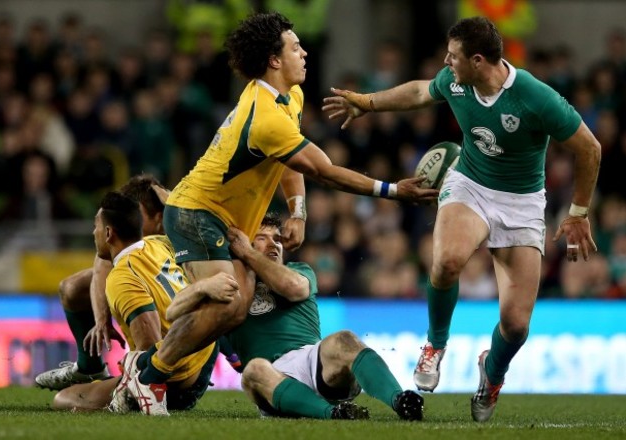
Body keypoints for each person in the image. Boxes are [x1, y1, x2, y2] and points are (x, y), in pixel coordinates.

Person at [115, 11, 438, 416]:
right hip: (197, 211)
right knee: (231, 302)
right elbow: (321, 169)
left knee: (232, 302)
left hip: (222, 217)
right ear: (273, 59)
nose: (304, 52)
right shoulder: (265, 116)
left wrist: (298, 210)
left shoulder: (288, 98)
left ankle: (156, 362)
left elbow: (288, 162)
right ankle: (149, 373)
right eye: (295, 46)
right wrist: (392, 190)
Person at [323, 16, 601, 422]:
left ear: (477, 60)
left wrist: (578, 212)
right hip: (470, 183)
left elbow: (589, 148)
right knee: (447, 260)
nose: (445, 62)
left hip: (522, 203)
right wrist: (367, 102)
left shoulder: (535, 98)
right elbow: (421, 90)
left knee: (516, 325)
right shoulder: (456, 80)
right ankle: (435, 345)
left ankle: (492, 374)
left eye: (453, 57)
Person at [167, 212, 424, 421]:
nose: (273, 244)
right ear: (242, 244)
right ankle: (334, 415)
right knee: (252, 371)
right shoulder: (226, 287)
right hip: (273, 377)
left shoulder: (298, 270)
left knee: (343, 339)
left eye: (277, 239)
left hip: (314, 361)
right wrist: (201, 288)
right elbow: (172, 313)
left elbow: (294, 287)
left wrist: (248, 253)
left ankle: (401, 400)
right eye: (262, 238)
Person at [49, 191, 236, 414]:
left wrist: (135, 372)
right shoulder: (157, 244)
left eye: (96, 227)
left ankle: (125, 387)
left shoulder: (121, 278)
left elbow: (152, 347)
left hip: (179, 381)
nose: (93, 232)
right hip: (205, 352)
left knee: (65, 398)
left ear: (108, 233)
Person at [35, 174, 166, 390]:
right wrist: (102, 321)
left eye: (138, 214)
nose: (132, 220)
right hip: (142, 291)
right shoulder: (123, 243)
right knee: (72, 288)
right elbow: (100, 270)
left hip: (175, 313)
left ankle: (155, 377)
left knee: (67, 401)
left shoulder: (176, 234)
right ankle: (89, 367)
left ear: (159, 218)